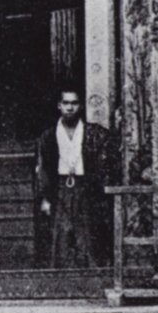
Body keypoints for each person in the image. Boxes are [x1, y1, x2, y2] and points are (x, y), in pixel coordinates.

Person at [35, 89, 116, 269]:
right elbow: (43, 169)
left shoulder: (93, 133)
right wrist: (45, 197)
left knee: (86, 234)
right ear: (59, 106)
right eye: (66, 103)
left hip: (84, 187)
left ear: (80, 106)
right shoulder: (48, 136)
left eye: (74, 103)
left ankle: (92, 276)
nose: (70, 107)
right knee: (61, 235)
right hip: (60, 189)